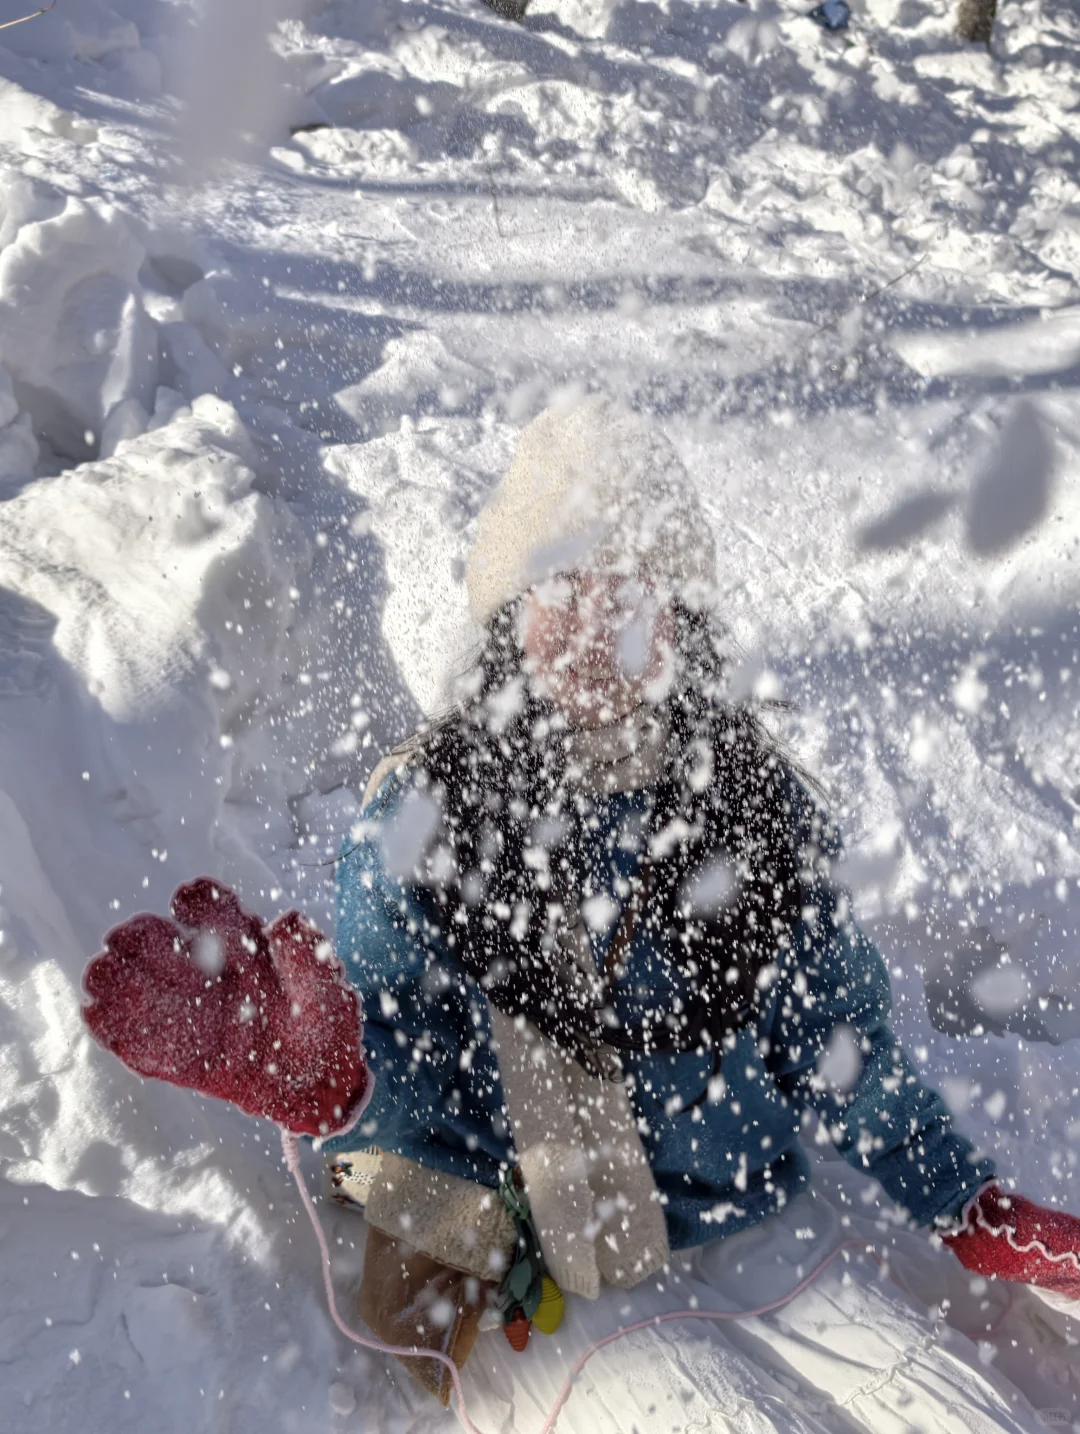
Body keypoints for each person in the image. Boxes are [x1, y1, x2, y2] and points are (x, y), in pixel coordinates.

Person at [324, 396, 1080, 1407]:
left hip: (756, 1226)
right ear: (510, 606)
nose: (596, 622)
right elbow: (390, 1073)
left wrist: (963, 1200)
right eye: (563, 581)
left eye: (631, 587)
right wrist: (327, 1084)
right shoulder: (425, 823)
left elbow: (830, 1033)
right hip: (547, 1273)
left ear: (676, 621)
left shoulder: (745, 803)